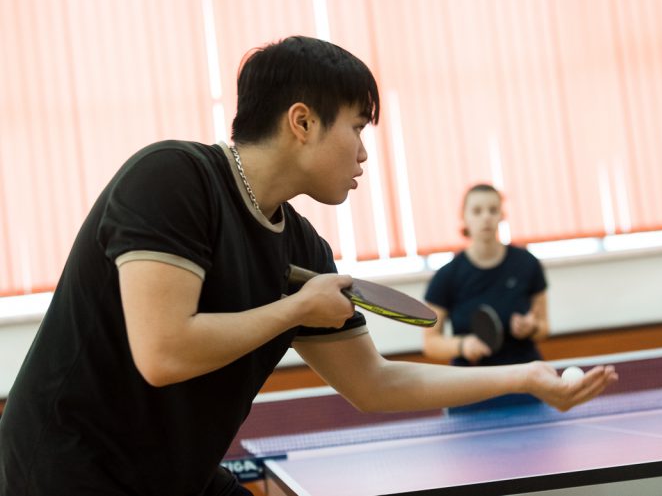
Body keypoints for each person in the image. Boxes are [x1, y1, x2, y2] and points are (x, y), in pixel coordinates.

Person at [0, 36, 617, 496]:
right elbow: (163, 352)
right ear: (302, 122)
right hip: (67, 470)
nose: (364, 153)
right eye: (356, 127)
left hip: (171, 473)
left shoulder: (302, 250)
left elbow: (375, 384)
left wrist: (525, 379)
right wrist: (295, 309)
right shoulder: (173, 179)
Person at [423, 184, 549, 368]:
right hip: (472, 375)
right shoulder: (446, 275)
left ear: (501, 215)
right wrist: (462, 345)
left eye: (493, 210)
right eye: (477, 211)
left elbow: (544, 328)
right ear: (464, 217)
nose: (486, 217)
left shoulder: (527, 263)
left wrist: (532, 327)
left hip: (523, 370)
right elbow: (430, 343)